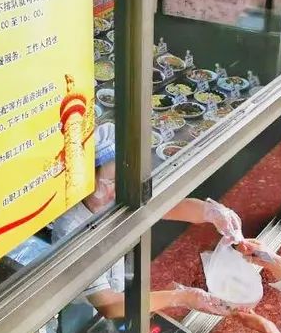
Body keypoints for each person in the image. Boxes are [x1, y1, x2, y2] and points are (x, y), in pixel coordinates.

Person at [52, 123, 246, 319]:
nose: (119, 188)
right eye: (110, 181)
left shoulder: (117, 194)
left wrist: (213, 212)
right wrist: (181, 297)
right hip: (85, 305)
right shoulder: (71, 228)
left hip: (120, 281)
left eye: (122, 179)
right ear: (83, 180)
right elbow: (109, 305)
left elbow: (172, 207)